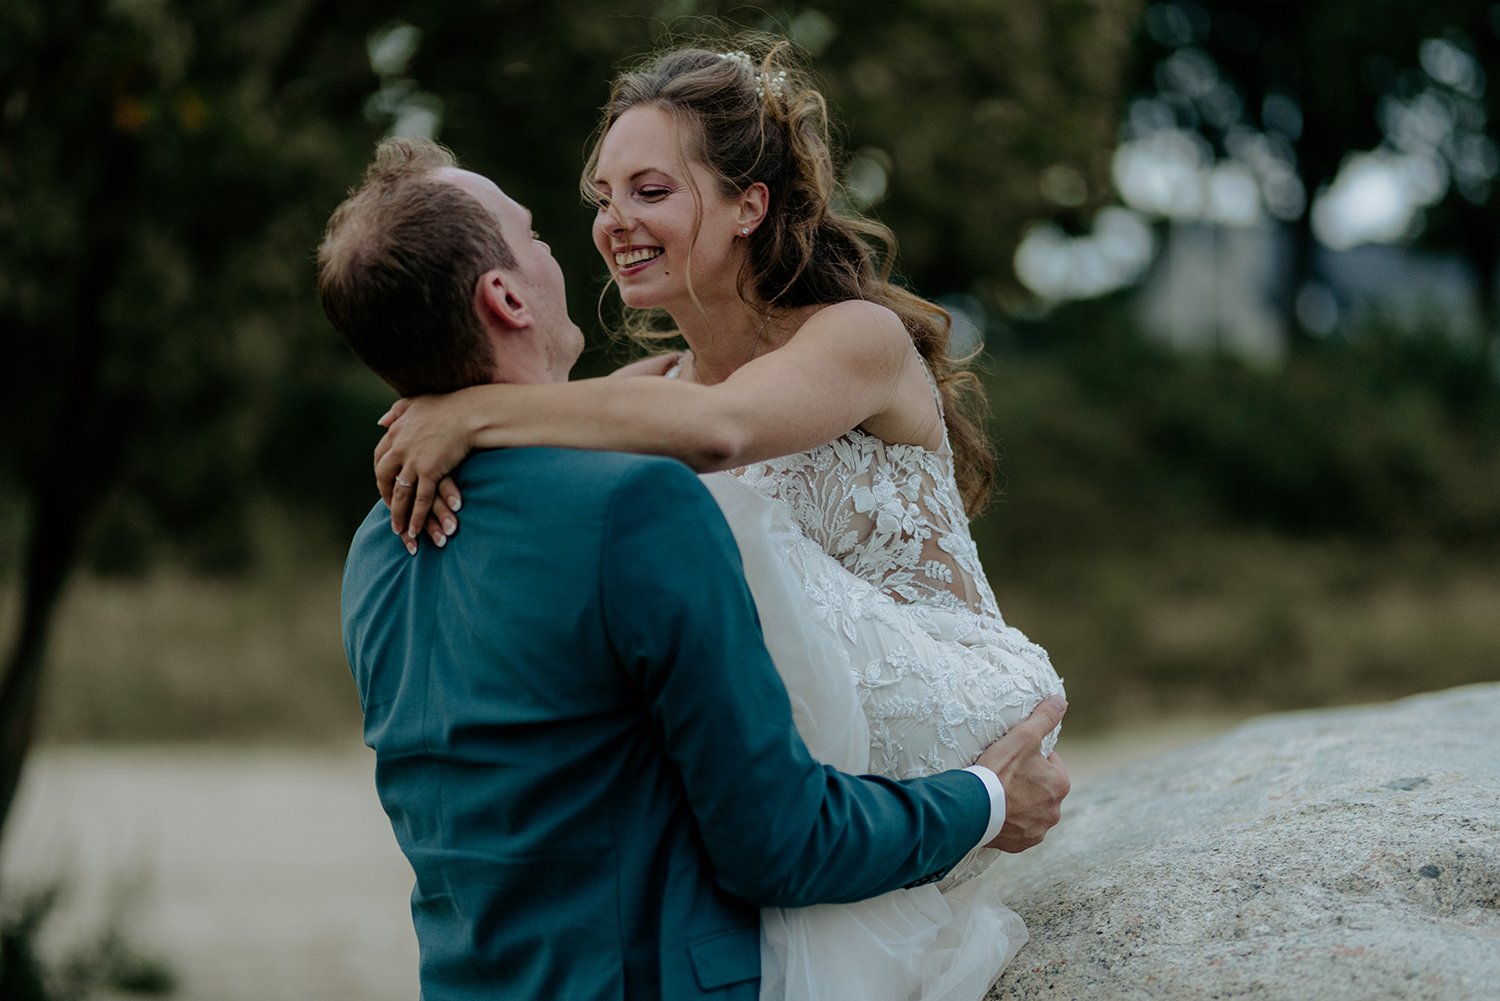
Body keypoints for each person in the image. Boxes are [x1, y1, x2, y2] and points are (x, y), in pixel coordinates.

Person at [370, 40, 1067, 1000]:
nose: (614, 223)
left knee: (689, 520)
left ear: (751, 203)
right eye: (604, 197)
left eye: (650, 191)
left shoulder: (854, 338)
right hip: (813, 740)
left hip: (957, 701)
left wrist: (472, 411)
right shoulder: (635, 394)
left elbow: (722, 429)